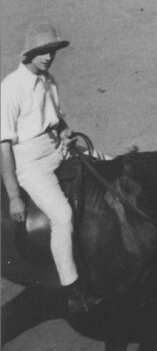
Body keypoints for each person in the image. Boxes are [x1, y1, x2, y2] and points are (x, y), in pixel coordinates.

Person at [0, 23, 101, 312]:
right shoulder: (10, 88)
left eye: (52, 51)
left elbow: (57, 120)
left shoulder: (49, 80)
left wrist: (67, 133)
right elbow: (4, 145)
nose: (48, 57)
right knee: (62, 215)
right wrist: (15, 195)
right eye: (42, 52)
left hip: (57, 146)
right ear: (28, 53)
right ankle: (73, 289)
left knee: (106, 163)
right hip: (31, 162)